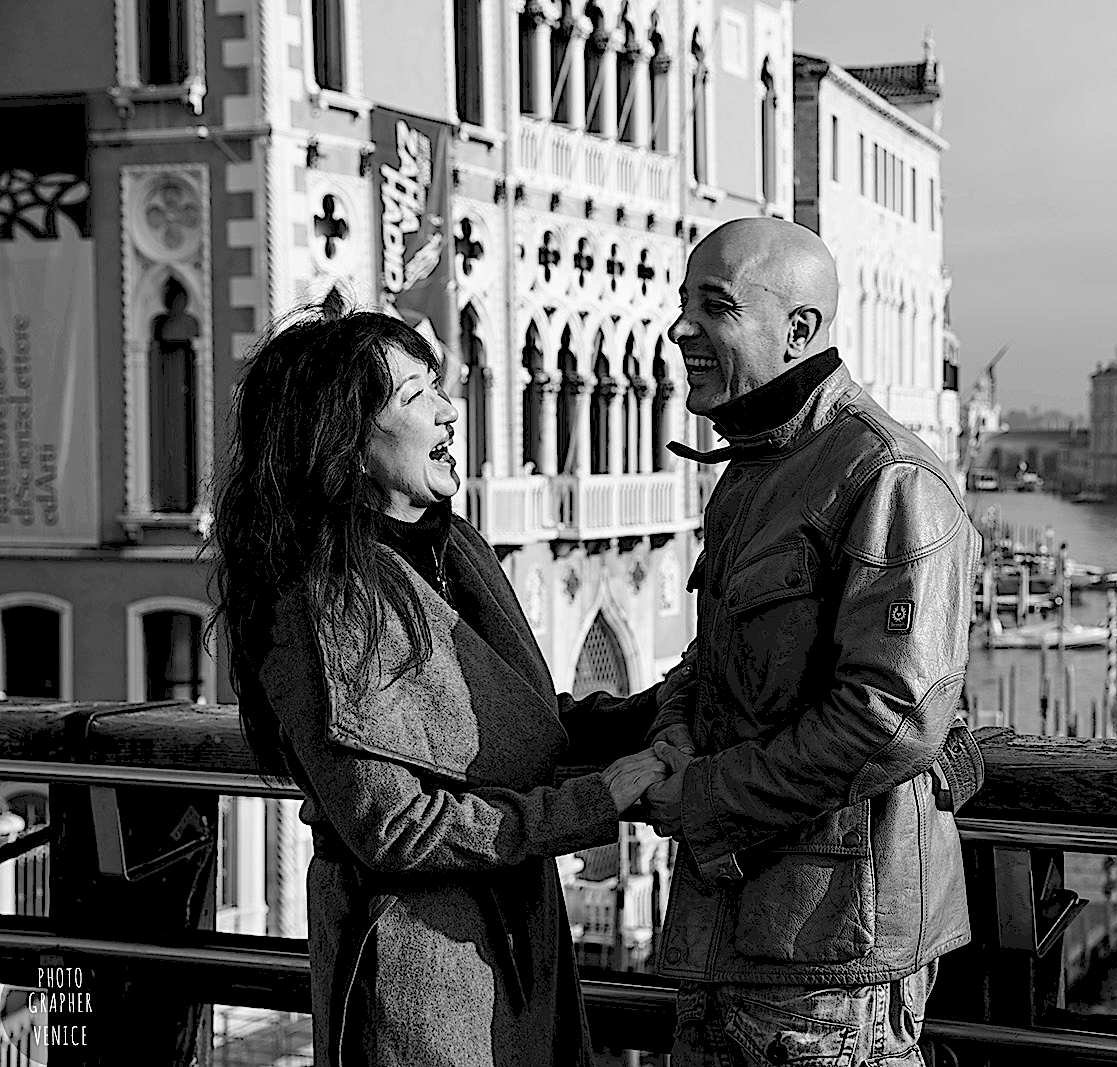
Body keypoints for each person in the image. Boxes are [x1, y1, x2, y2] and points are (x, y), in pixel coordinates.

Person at [211, 296, 670, 1066]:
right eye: (418, 397)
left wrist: (659, 708)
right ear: (345, 439)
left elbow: (513, 726)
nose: (452, 413)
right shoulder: (321, 601)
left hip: (519, 949)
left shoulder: (455, 547)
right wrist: (597, 798)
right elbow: (394, 826)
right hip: (423, 976)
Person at [639, 217, 979, 1065]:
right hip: (735, 939)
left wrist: (706, 795)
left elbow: (893, 716)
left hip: (835, 962)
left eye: (713, 307)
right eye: (683, 304)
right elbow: (712, 655)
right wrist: (673, 731)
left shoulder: (888, 479)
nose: (680, 329)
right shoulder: (753, 473)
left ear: (799, 330)